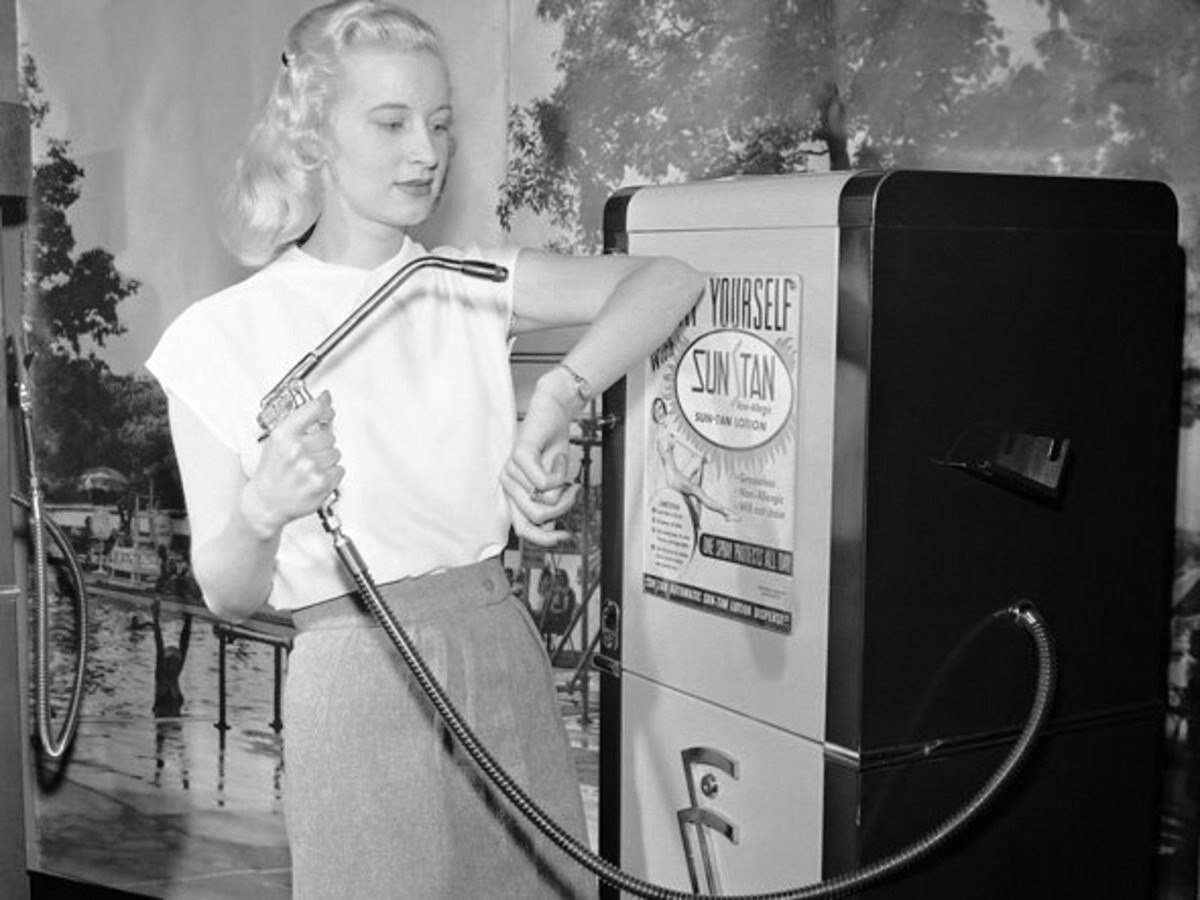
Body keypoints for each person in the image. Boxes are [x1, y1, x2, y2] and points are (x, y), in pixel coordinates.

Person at [145, 2, 703, 897]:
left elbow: (668, 281)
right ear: (313, 133)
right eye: (392, 121)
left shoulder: (466, 285)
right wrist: (264, 508)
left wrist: (558, 396)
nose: (427, 151)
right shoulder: (218, 338)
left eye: (441, 124)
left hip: (498, 648)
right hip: (353, 678)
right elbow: (228, 588)